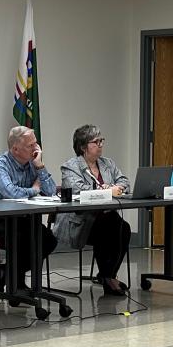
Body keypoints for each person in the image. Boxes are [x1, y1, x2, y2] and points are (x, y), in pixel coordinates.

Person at [53, 125, 132, 295]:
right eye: (96, 142)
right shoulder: (70, 167)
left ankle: (108, 275)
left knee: (122, 228)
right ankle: (108, 278)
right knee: (110, 227)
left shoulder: (108, 163)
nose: (101, 145)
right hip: (80, 222)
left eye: (101, 141)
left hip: (106, 219)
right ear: (83, 147)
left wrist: (115, 187)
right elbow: (77, 190)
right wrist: (107, 190)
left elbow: (124, 182)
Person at [0, 125, 56, 289]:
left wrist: (40, 166)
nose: (36, 148)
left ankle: (6, 272)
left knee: (48, 240)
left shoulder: (32, 163)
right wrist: (35, 190)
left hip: (23, 219)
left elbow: (51, 191)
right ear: (15, 149)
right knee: (22, 238)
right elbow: (11, 193)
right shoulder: (0, 165)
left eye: (36, 143)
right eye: (31, 145)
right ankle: (16, 284)